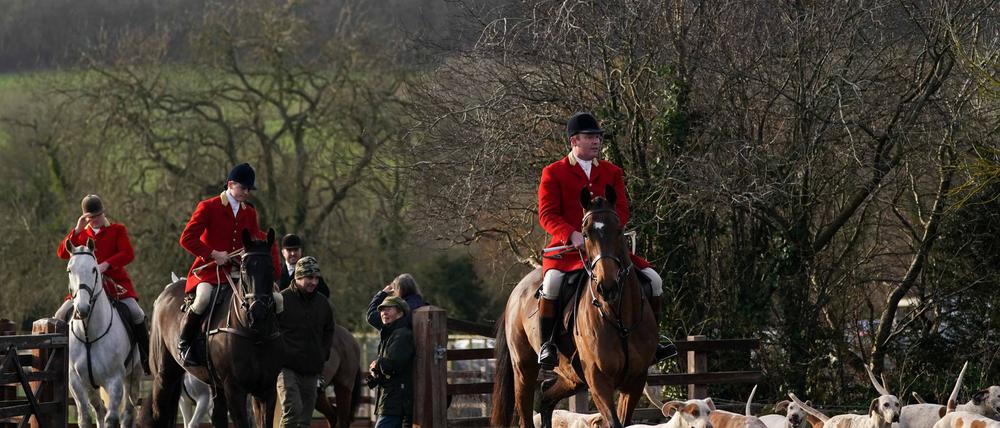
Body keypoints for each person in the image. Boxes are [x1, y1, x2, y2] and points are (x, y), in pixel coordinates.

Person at [536, 112, 675, 368]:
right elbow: (547, 214)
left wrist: (609, 231)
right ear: (574, 141)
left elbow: (622, 209)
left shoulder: (612, 172)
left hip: (608, 249)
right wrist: (571, 234)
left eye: (598, 137)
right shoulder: (553, 173)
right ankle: (548, 344)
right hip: (569, 250)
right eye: (590, 137)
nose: (596, 141)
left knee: (654, 280)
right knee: (552, 283)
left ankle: (653, 342)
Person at [177, 162, 281, 367]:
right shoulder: (208, 207)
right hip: (209, 270)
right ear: (231, 184)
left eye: (249, 189)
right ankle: (185, 342)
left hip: (236, 270)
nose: (247, 192)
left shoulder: (249, 212)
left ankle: (272, 343)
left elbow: (254, 238)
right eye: (243, 188)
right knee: (203, 298)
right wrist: (213, 254)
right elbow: (186, 238)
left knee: (273, 299)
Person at [55, 194, 151, 374]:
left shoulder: (117, 230)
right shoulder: (81, 235)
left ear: (103, 213)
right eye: (90, 217)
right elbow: (62, 253)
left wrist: (106, 264)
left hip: (115, 284)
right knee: (59, 315)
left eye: (98, 216)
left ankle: (147, 359)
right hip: (85, 289)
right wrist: (76, 230)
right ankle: (59, 365)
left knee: (137, 313)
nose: (95, 220)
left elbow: (128, 254)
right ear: (85, 217)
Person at [276, 256, 335, 428]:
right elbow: (269, 331)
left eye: (316, 278)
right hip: (286, 368)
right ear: (298, 277)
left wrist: (323, 353)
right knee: (293, 410)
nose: (314, 282)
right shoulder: (282, 299)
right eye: (309, 278)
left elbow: (329, 329)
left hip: (311, 370)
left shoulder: (323, 303)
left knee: (304, 420)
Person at [369, 296, 415, 428]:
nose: (384, 313)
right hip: (391, 398)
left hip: (396, 400)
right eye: (382, 310)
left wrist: (377, 364)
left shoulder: (401, 335)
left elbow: (393, 365)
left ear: (400, 313)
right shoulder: (391, 333)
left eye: (388, 309)